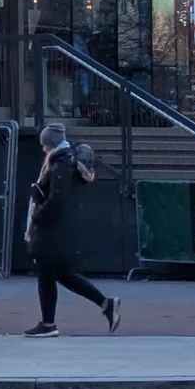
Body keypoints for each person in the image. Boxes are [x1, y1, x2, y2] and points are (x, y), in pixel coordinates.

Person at [24, 122, 121, 338]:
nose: (43, 149)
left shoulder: (60, 165)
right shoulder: (71, 162)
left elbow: (57, 201)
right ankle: (106, 304)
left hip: (52, 231)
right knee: (64, 275)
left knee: (47, 275)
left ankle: (48, 323)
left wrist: (37, 213)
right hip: (65, 230)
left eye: (45, 145)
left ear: (51, 144)